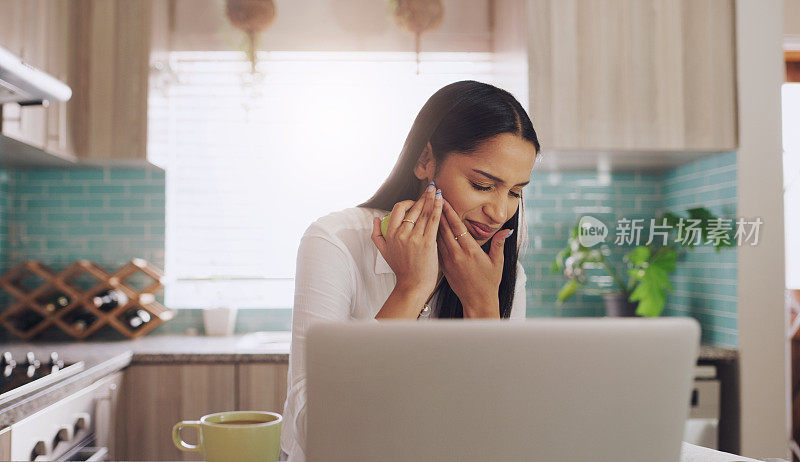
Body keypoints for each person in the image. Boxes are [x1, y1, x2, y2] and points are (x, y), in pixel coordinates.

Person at [279, 80, 540, 461]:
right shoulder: (335, 241)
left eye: (516, 192)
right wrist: (411, 289)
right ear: (425, 161)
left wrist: (483, 307)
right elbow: (314, 425)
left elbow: (503, 431)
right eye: (482, 185)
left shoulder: (502, 273)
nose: (500, 212)